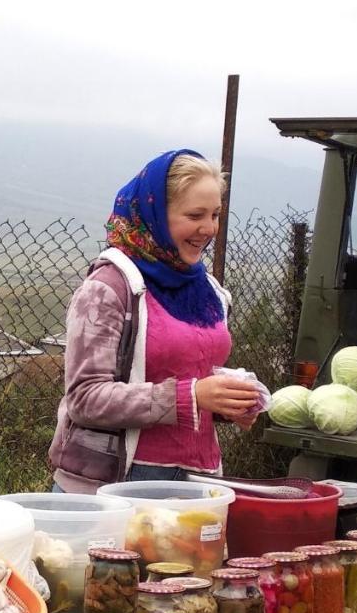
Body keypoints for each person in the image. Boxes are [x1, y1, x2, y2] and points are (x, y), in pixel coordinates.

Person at [48, 149, 259, 493]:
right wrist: (190, 396)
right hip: (116, 485)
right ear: (156, 216)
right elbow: (85, 399)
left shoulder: (207, 291)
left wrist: (225, 404)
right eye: (195, 215)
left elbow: (192, 386)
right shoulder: (108, 288)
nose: (209, 229)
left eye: (216, 214)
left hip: (197, 480)